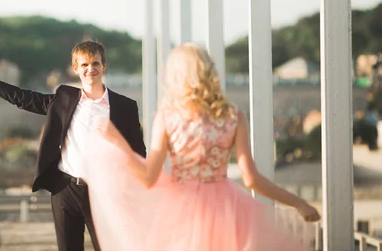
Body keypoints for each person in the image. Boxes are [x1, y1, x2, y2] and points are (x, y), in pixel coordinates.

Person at [80, 43, 321, 251]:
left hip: (179, 213)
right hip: (228, 211)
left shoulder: (167, 118)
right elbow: (251, 179)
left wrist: (118, 142)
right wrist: (298, 203)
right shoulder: (233, 116)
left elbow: (148, 178)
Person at [0, 40, 146, 251]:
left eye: (95, 63)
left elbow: (139, 154)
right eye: (84, 65)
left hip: (103, 193)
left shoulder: (125, 107)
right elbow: (22, 98)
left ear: (104, 65)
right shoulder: (64, 98)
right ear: (75, 68)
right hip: (65, 190)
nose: (90, 69)